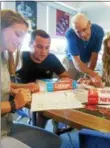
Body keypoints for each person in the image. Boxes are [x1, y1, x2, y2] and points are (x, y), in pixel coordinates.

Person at [0, 10, 60, 148]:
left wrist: (15, 90)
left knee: (55, 141)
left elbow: (3, 85)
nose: (20, 41)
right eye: (17, 34)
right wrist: (14, 104)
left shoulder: (4, 57)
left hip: (6, 126)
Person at [16, 29, 71, 130]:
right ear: (30, 44)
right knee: (41, 113)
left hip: (47, 97)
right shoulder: (19, 58)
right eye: (39, 47)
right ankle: (38, 134)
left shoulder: (51, 58)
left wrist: (53, 84)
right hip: (24, 100)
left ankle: (56, 129)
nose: (44, 52)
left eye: (47, 48)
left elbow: (65, 77)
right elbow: (7, 83)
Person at [64, 13, 104, 87]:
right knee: (69, 86)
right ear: (74, 31)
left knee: (84, 84)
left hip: (86, 61)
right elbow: (77, 63)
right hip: (72, 61)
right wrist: (94, 75)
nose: (83, 35)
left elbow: (93, 58)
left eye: (84, 29)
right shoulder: (70, 34)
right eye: (78, 32)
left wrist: (87, 77)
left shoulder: (98, 31)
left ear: (89, 24)